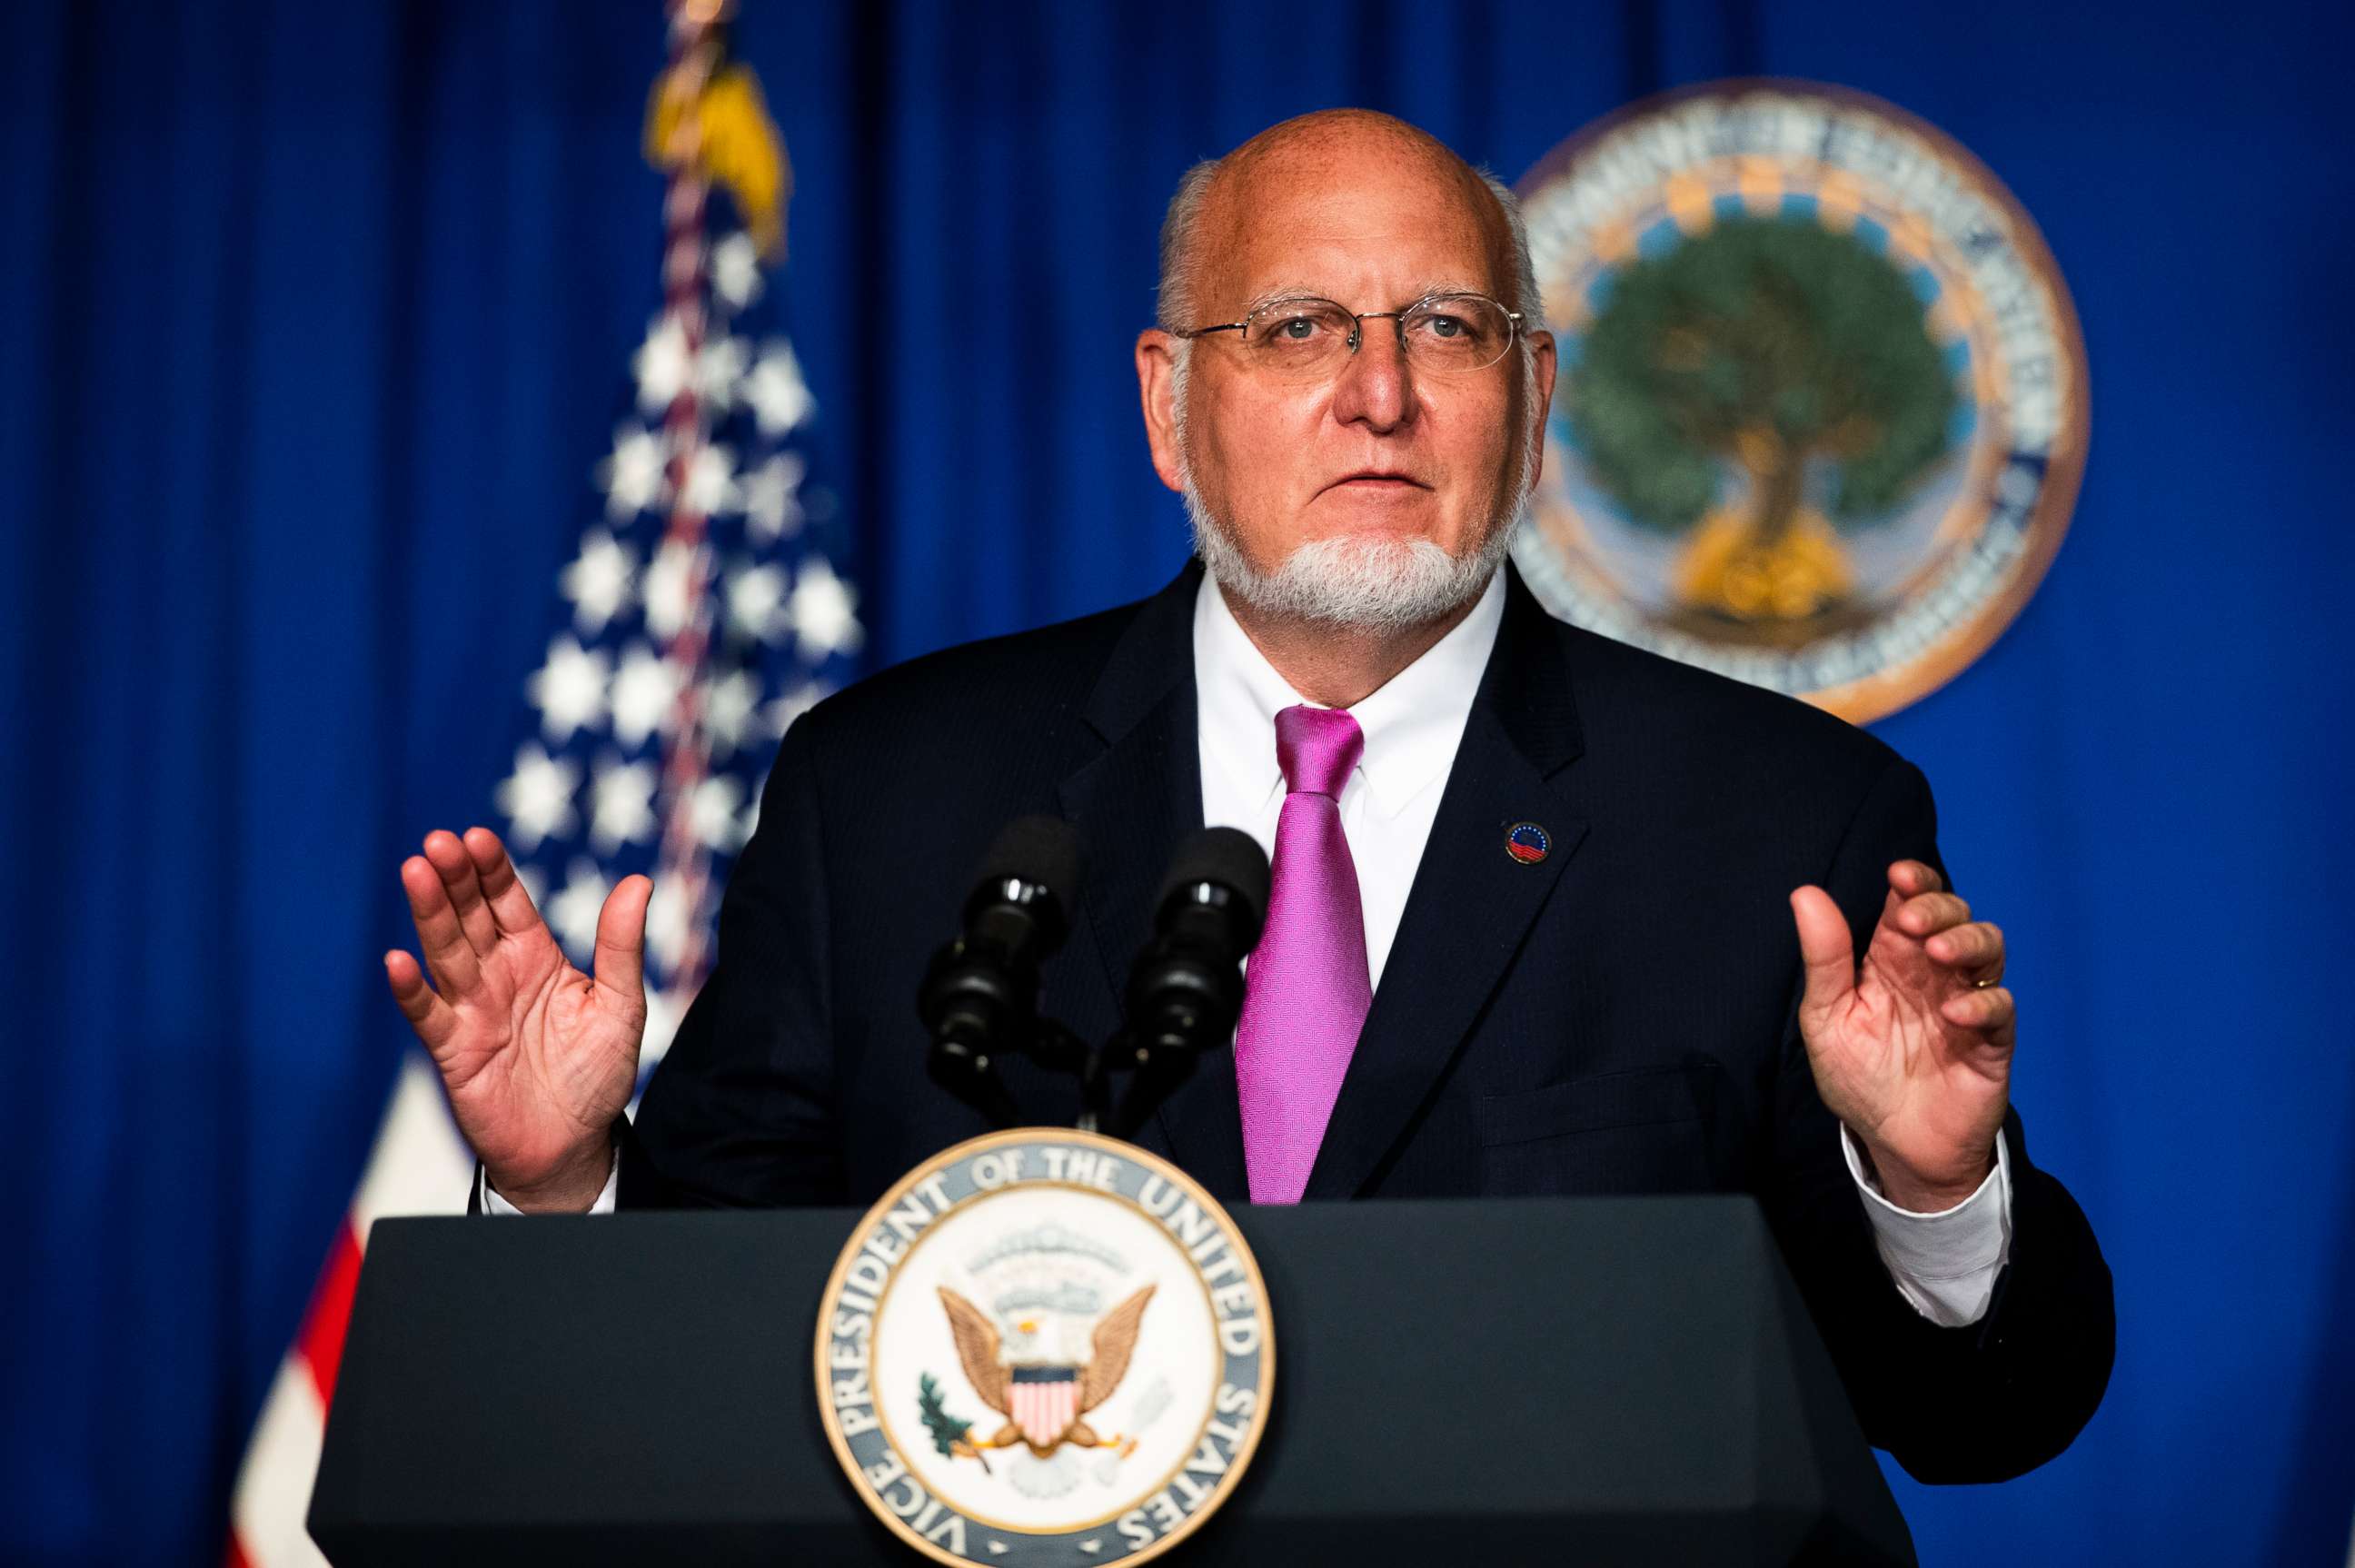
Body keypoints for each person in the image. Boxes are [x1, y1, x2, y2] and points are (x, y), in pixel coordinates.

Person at [384, 110, 2112, 1481]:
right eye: (1298, 328)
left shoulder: (1780, 821)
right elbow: (709, 1365)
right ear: (1167, 402)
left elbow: (1978, 1425)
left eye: (1447, 324)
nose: (1380, 393)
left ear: (1532, 394)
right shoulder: (889, 795)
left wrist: (1935, 1187)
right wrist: (562, 1190)